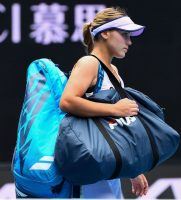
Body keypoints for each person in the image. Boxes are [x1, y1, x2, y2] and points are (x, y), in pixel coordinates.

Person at [59, 7, 149, 198]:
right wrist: (115, 108)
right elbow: (67, 101)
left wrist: (131, 168)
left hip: (106, 167)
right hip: (88, 169)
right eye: (124, 34)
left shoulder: (113, 70)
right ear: (106, 33)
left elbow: (112, 128)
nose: (129, 41)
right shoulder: (89, 63)